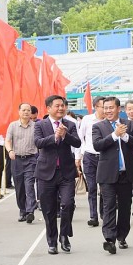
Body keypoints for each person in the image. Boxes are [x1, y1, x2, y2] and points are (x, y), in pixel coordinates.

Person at [93, 96, 133, 254]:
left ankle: (122, 236)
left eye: (111, 108)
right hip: (107, 174)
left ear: (118, 109)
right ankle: (109, 239)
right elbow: (97, 145)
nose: (107, 111)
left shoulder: (129, 124)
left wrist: (125, 136)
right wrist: (114, 135)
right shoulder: (98, 126)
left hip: (126, 174)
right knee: (108, 206)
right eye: (105, 108)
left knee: (124, 207)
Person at [34, 95, 81, 254]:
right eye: (57, 106)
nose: (61, 108)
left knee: (67, 204)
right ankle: (52, 241)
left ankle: (64, 236)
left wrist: (64, 135)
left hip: (66, 172)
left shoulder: (70, 124)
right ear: (48, 108)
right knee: (49, 210)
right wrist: (55, 136)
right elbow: (38, 143)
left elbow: (77, 142)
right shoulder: (40, 125)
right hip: (46, 172)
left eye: (63, 105)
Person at [75, 96, 105, 227]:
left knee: (105, 188)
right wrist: (78, 156)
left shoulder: (109, 120)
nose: (105, 109)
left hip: (105, 158)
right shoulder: (87, 119)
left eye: (107, 107)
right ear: (95, 107)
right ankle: (93, 216)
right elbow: (79, 138)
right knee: (92, 188)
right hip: (89, 157)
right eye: (102, 107)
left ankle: (104, 213)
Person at [6, 103, 38, 223]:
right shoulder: (13, 126)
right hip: (17, 160)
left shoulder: (36, 126)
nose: (26, 112)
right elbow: (7, 141)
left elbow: (39, 143)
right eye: (23, 110)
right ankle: (22, 210)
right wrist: (10, 150)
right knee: (19, 187)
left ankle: (30, 211)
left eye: (28, 110)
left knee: (29, 185)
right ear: (19, 112)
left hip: (31, 159)